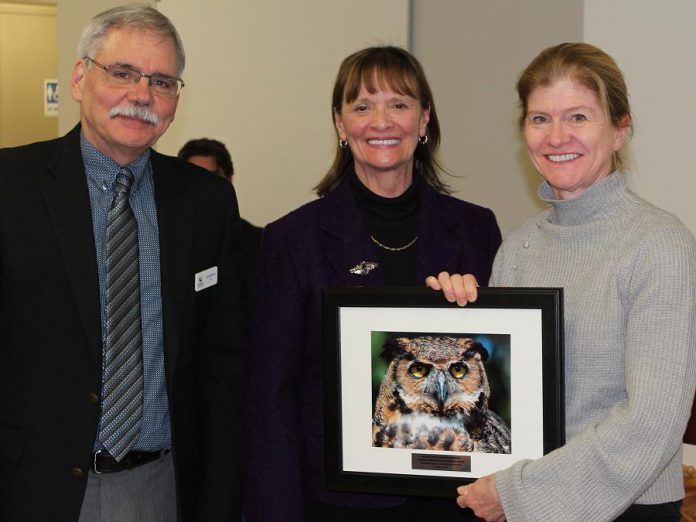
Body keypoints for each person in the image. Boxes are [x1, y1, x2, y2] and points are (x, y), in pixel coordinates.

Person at [428, 42, 696, 521]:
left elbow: (652, 422)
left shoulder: (659, 243)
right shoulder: (518, 247)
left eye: (577, 117)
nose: (556, 136)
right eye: (539, 119)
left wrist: (519, 494)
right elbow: (500, 400)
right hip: (525, 498)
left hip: (627, 509)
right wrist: (452, 324)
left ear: (619, 130)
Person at [0, 5, 244, 520]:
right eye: (123, 73)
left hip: (162, 486)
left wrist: (221, 496)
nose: (141, 95)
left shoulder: (207, 203)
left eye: (161, 81)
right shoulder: (10, 186)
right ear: (79, 78)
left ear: (177, 99)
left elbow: (221, 367)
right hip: (30, 487)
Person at [242, 46, 502, 522]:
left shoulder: (476, 230)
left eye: (399, 105)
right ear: (341, 125)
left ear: (424, 121)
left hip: (457, 502)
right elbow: (270, 398)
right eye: (362, 106)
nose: (381, 121)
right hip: (339, 504)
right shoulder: (292, 240)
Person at [178, 138, 263, 298]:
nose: (204, 187)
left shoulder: (260, 243)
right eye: (194, 178)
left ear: (229, 179)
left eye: (212, 178)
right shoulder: (167, 240)